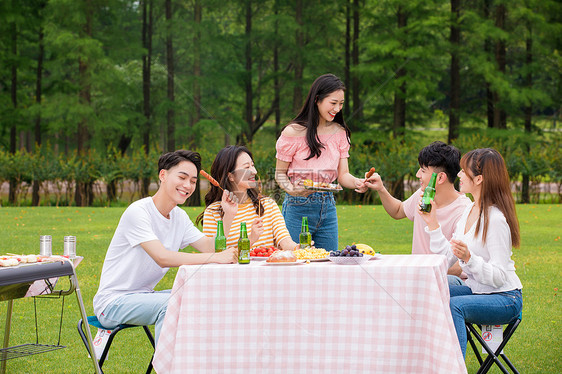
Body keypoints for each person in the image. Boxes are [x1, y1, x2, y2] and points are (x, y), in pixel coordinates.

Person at [93, 150, 238, 346]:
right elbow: (162, 257)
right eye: (182, 177)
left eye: (193, 181)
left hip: (144, 296)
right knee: (170, 304)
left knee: (200, 296)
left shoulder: (179, 217)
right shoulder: (138, 212)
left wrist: (228, 215)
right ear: (163, 175)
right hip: (113, 303)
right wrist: (214, 258)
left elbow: (209, 247)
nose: (187, 186)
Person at [419, 148, 523, 358]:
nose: (458, 174)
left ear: (479, 179)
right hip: (478, 291)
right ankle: (428, 361)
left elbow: (499, 277)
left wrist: (469, 259)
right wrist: (432, 223)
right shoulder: (469, 211)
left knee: (453, 305)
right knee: (431, 292)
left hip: (505, 298)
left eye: (463, 171)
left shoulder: (495, 220)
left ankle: (453, 368)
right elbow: (446, 258)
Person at [275, 73, 367, 251]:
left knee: (328, 262)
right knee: (295, 262)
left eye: (341, 104)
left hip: (328, 207)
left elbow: (343, 175)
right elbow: (279, 174)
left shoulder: (340, 132)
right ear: (317, 99)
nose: (338, 109)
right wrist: (292, 189)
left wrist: (357, 182)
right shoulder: (293, 132)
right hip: (297, 206)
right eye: (333, 103)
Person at [365, 141, 471, 280]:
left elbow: (458, 267)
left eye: (423, 170)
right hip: (418, 276)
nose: (417, 174)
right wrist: (381, 188)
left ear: (440, 178)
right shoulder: (422, 195)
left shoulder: (464, 210)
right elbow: (397, 211)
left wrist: (420, 269)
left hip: (446, 281)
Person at [197, 145, 299, 251]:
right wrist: (250, 240)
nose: (254, 171)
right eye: (247, 167)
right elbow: (213, 255)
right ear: (231, 176)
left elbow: (285, 241)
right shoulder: (213, 212)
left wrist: (300, 249)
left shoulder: (268, 205)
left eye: (253, 165)